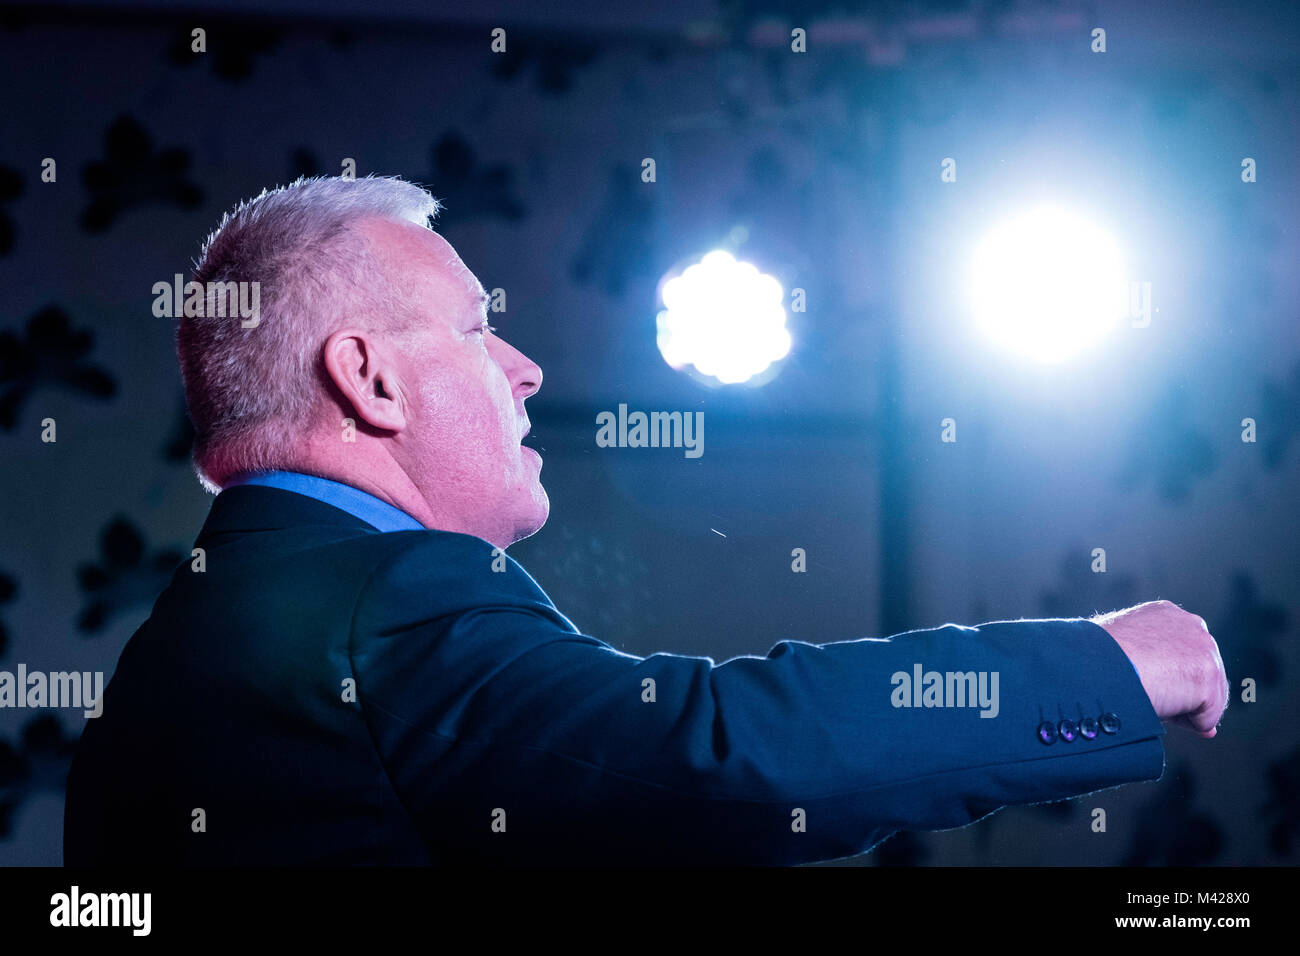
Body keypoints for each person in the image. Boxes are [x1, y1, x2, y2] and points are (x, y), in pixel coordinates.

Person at [63, 176, 1228, 865]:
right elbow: (722, 756)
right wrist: (1101, 666)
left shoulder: (167, 665)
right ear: (369, 379)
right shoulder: (379, 599)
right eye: (475, 328)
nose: (522, 367)